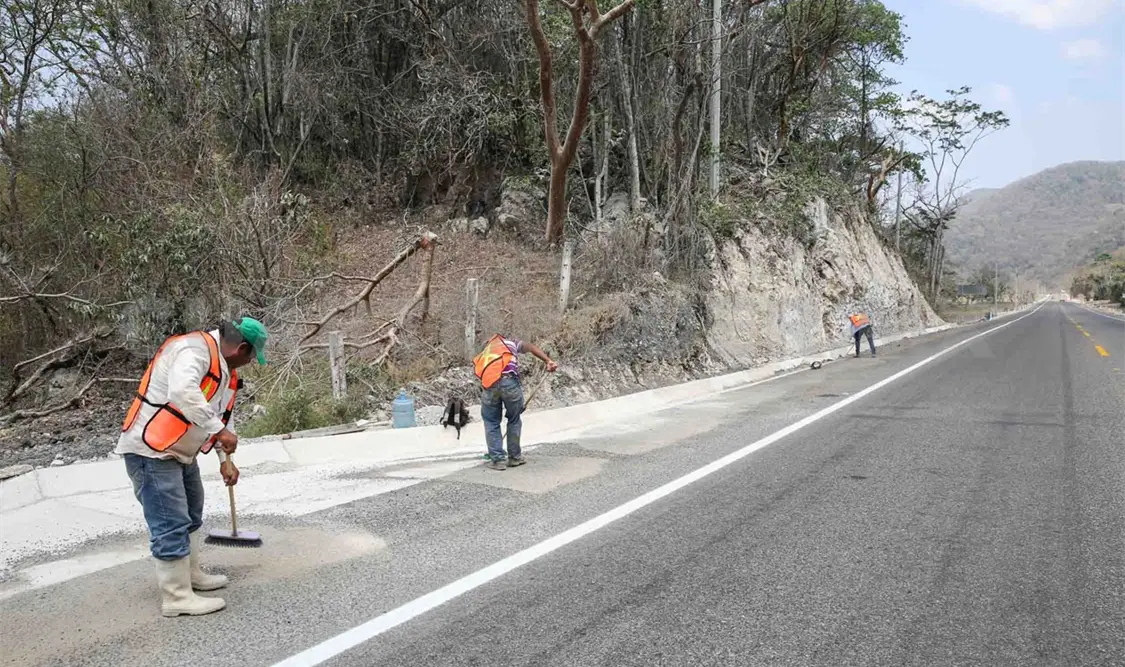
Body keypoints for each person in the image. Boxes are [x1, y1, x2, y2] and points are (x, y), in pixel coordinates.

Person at [116, 317, 267, 617]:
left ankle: (191, 575)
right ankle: (176, 596)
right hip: (152, 451)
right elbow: (183, 392)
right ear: (242, 348)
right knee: (170, 521)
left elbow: (222, 417)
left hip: (180, 452)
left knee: (191, 513)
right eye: (251, 357)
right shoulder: (193, 350)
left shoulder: (225, 370)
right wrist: (218, 431)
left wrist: (227, 461)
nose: (249, 363)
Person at [472, 334, 557, 470]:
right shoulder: (510, 343)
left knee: (491, 422)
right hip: (509, 382)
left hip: (489, 385)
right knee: (514, 419)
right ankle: (514, 458)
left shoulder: (487, 351)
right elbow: (530, 347)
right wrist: (548, 361)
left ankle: (497, 460)